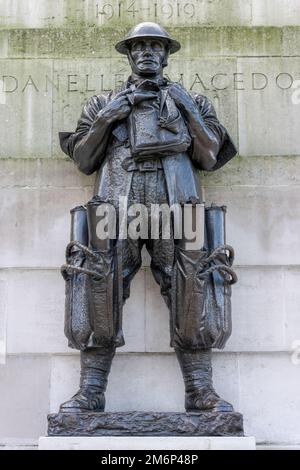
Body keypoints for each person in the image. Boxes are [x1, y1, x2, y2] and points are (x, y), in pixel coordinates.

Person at [59, 22, 237, 414]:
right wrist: (108, 117)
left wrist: (187, 107)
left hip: (179, 203)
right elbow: (85, 161)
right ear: (128, 53)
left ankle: (200, 390)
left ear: (167, 54)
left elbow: (208, 158)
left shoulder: (194, 101)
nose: (147, 53)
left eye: (155, 46)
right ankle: (90, 392)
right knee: (99, 284)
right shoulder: (101, 102)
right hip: (115, 204)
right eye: (139, 46)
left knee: (193, 286)